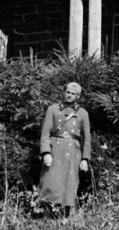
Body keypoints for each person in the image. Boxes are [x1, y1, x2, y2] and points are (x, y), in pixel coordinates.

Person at [39, 81, 92, 216]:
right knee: (50, 182)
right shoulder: (53, 109)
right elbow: (45, 133)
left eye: (73, 94)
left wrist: (85, 159)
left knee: (69, 184)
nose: (69, 95)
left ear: (78, 96)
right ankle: (47, 217)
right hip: (55, 150)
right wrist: (46, 152)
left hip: (72, 152)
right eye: (67, 92)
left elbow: (87, 139)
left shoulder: (83, 113)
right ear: (64, 92)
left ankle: (65, 218)